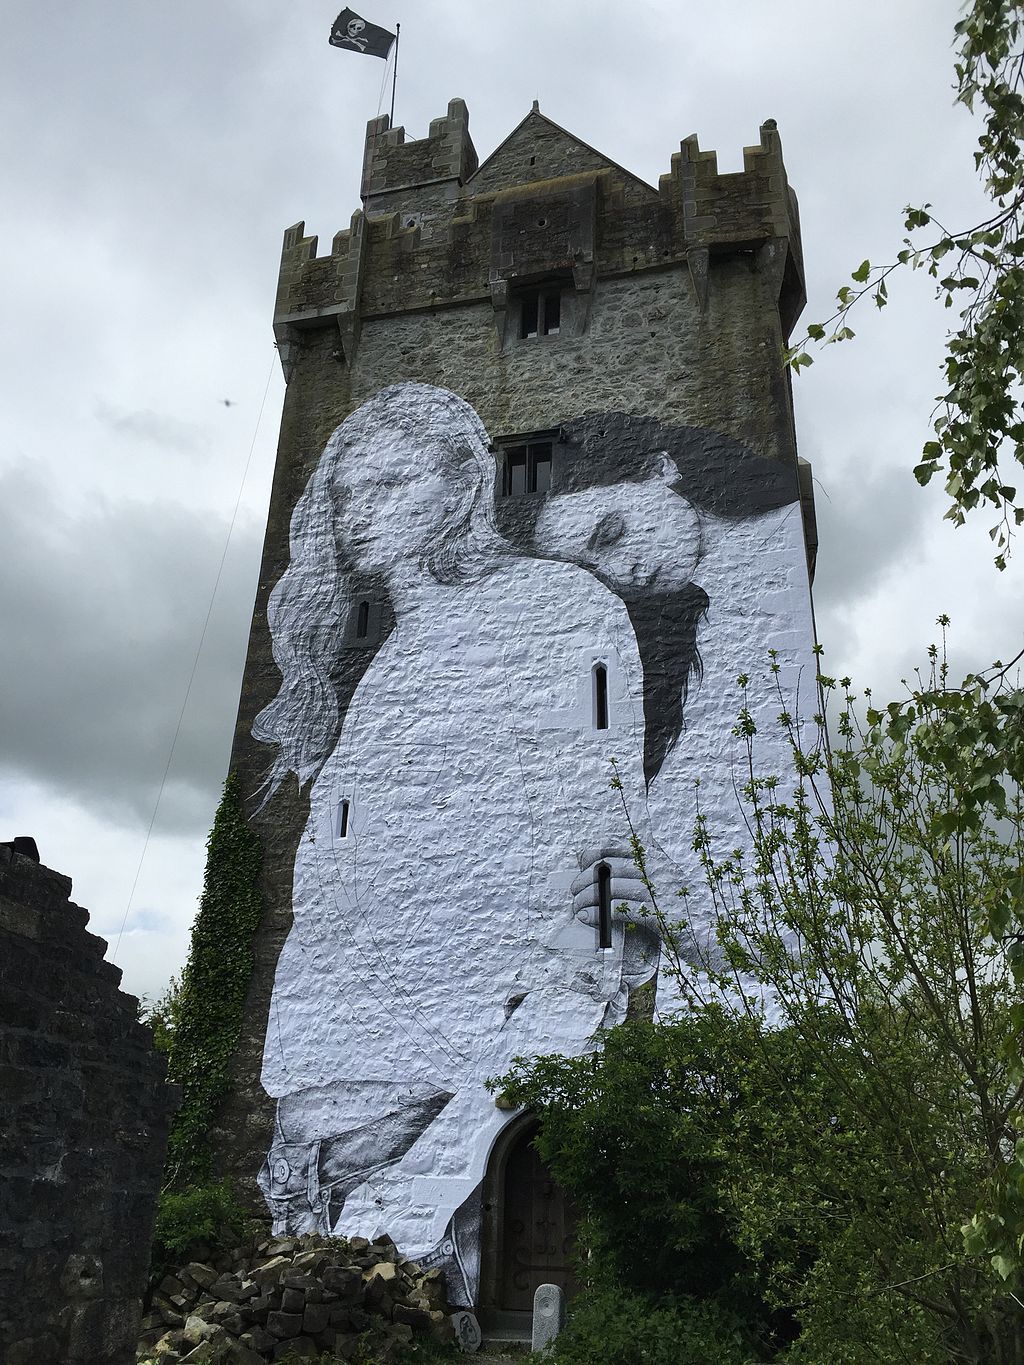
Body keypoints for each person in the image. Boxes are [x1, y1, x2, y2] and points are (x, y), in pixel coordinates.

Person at [251, 384, 664, 1301]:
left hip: (438, 1139)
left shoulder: (559, 613)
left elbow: (599, 879)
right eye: (347, 494)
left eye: (391, 482)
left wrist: (439, 1164)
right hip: (314, 1144)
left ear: (463, 484)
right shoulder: (378, 673)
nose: (363, 513)